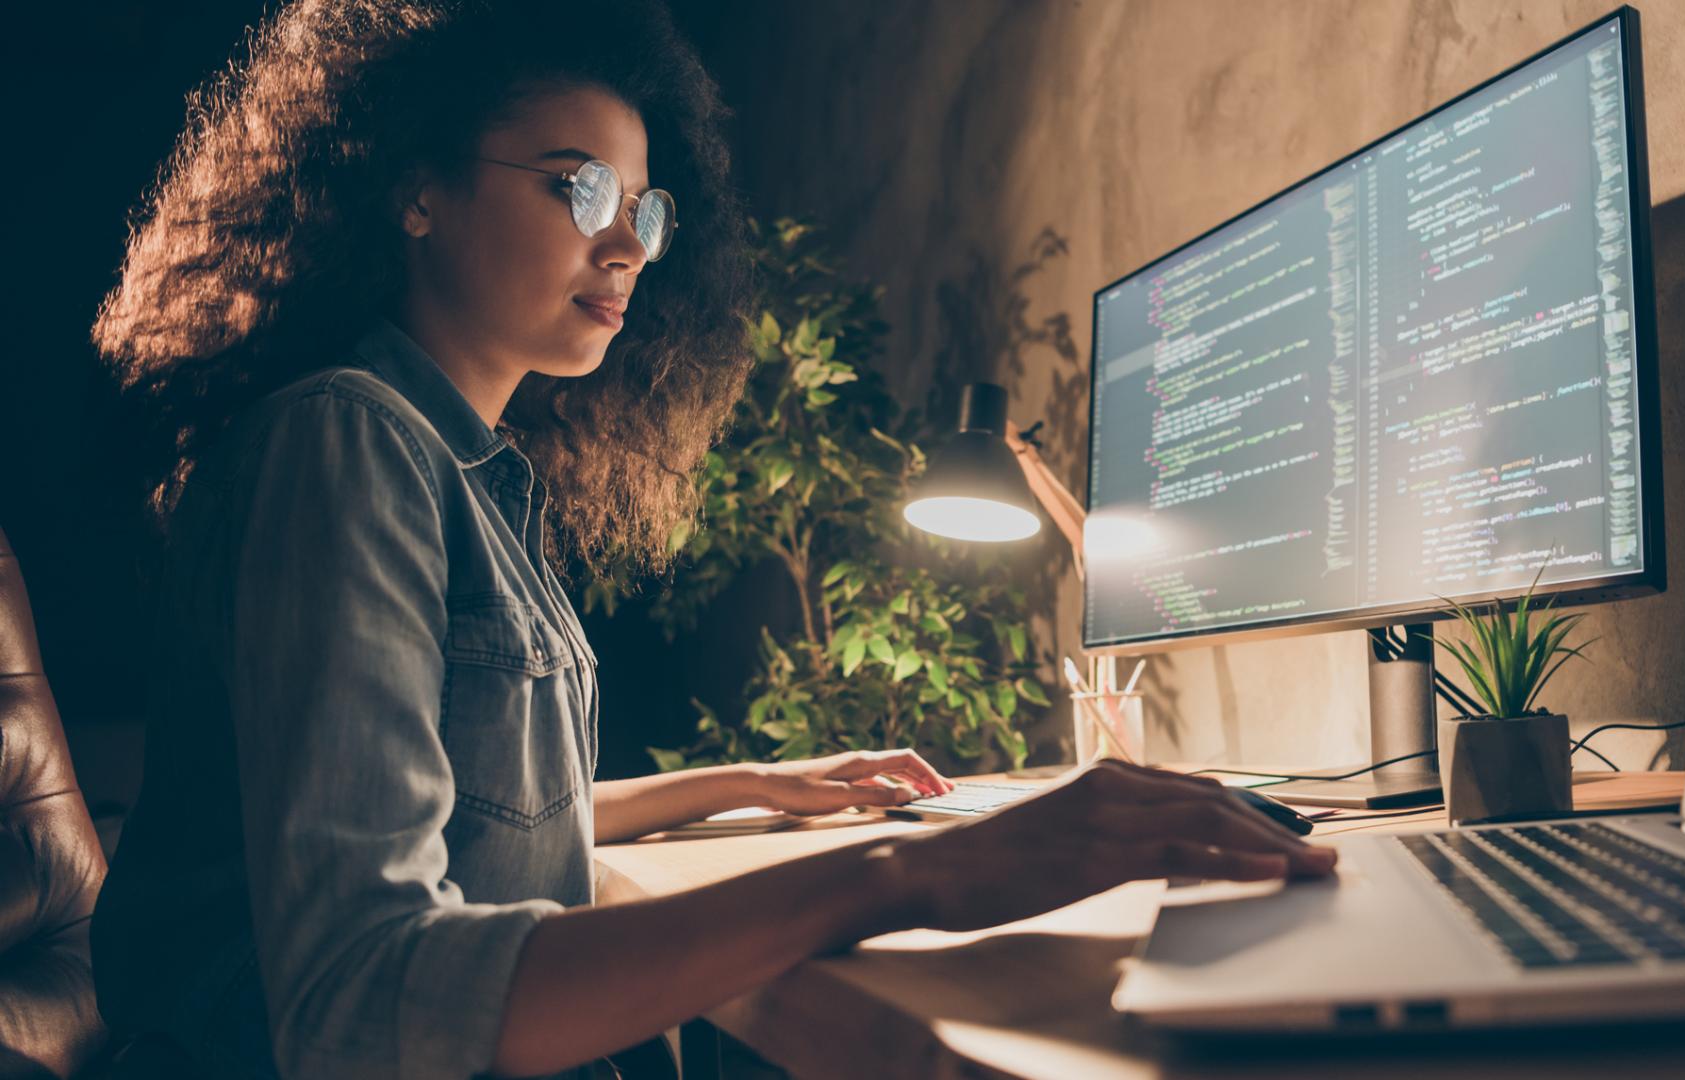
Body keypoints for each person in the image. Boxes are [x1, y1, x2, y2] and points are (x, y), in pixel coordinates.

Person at [87, 2, 1337, 1077]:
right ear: (416, 186)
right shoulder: (343, 448)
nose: (626, 244)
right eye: (578, 188)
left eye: (646, 209)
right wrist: (905, 881)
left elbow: (485, 824)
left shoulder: (471, 472)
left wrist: (749, 788)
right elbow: (363, 998)